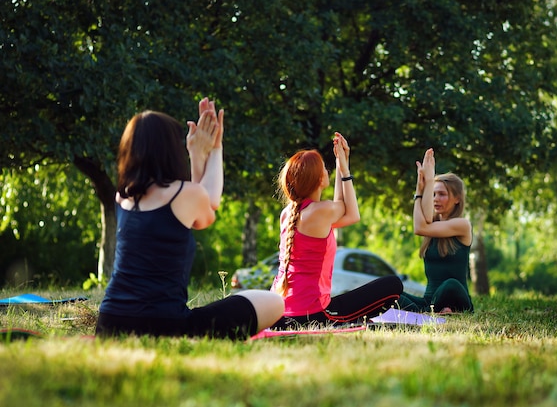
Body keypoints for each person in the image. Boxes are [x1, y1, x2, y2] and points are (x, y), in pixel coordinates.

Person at [96, 97, 284, 339]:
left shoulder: (122, 196)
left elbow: (199, 204)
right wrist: (214, 149)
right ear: (169, 150)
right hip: (165, 326)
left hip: (109, 323)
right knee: (274, 302)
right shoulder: (183, 194)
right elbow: (208, 206)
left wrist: (198, 155)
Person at [270, 133, 403, 329]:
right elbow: (352, 214)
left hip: (280, 313)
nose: (327, 170)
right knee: (393, 285)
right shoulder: (321, 211)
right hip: (313, 315)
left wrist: (343, 161)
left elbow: (340, 208)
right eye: (325, 167)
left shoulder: (289, 213)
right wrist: (344, 168)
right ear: (317, 179)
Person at [399, 148, 474, 313]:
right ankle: (432, 311)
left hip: (456, 296)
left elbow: (419, 227)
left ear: (457, 199)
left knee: (450, 284)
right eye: (433, 194)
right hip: (429, 302)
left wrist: (430, 178)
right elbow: (425, 219)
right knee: (391, 292)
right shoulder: (431, 225)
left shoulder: (462, 225)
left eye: (442, 194)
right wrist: (421, 189)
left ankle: (445, 309)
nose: (435, 199)